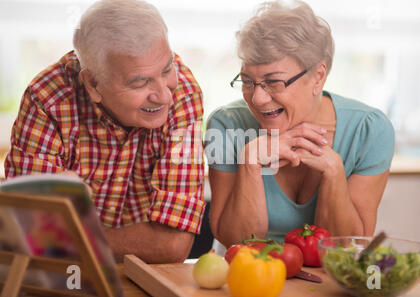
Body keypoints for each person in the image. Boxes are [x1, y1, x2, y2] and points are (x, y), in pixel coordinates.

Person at [5, 0, 206, 263]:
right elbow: (25, 230)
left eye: (167, 69)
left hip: (138, 274)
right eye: (141, 82)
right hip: (54, 274)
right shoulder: (48, 98)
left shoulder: (183, 95)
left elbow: (172, 244)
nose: (164, 96)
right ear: (93, 83)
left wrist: (68, 234)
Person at [205, 0, 395, 248]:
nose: (258, 98)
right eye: (247, 81)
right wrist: (250, 161)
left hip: (325, 282)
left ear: (318, 77)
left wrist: (334, 171)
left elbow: (347, 246)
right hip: (247, 276)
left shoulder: (369, 130)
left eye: (274, 82)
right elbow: (235, 242)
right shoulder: (226, 125)